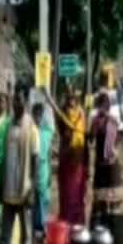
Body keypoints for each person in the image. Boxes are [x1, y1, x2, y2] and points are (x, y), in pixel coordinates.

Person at [0, 86, 39, 244]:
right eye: (14, 100)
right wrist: (1, 188)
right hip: (8, 190)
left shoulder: (32, 128)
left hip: (24, 190)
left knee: (27, 237)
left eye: (20, 100)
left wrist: (32, 188)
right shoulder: (8, 126)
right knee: (4, 235)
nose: (17, 103)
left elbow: (35, 159)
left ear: (25, 102)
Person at [50, 92, 87, 226]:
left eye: (74, 100)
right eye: (69, 99)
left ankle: (77, 223)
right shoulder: (64, 116)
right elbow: (61, 129)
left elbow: (84, 136)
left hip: (78, 160)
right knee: (66, 193)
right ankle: (66, 221)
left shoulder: (81, 116)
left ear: (77, 101)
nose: (72, 102)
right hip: (66, 159)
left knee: (77, 194)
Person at [88, 92, 123, 228]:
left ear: (109, 105)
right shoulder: (96, 120)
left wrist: (115, 148)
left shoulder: (113, 120)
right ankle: (99, 227)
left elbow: (120, 133)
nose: (103, 106)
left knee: (113, 199)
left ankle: (112, 227)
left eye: (106, 103)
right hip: (100, 164)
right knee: (100, 199)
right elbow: (91, 139)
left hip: (112, 165)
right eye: (101, 103)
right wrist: (93, 127)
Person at [30, 102, 53, 240]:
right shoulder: (30, 130)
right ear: (33, 115)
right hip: (31, 168)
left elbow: (49, 153)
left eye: (40, 114)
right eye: (36, 114)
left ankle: (44, 229)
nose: (38, 117)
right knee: (31, 200)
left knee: (43, 199)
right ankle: (31, 229)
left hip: (43, 168)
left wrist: (50, 172)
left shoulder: (46, 132)